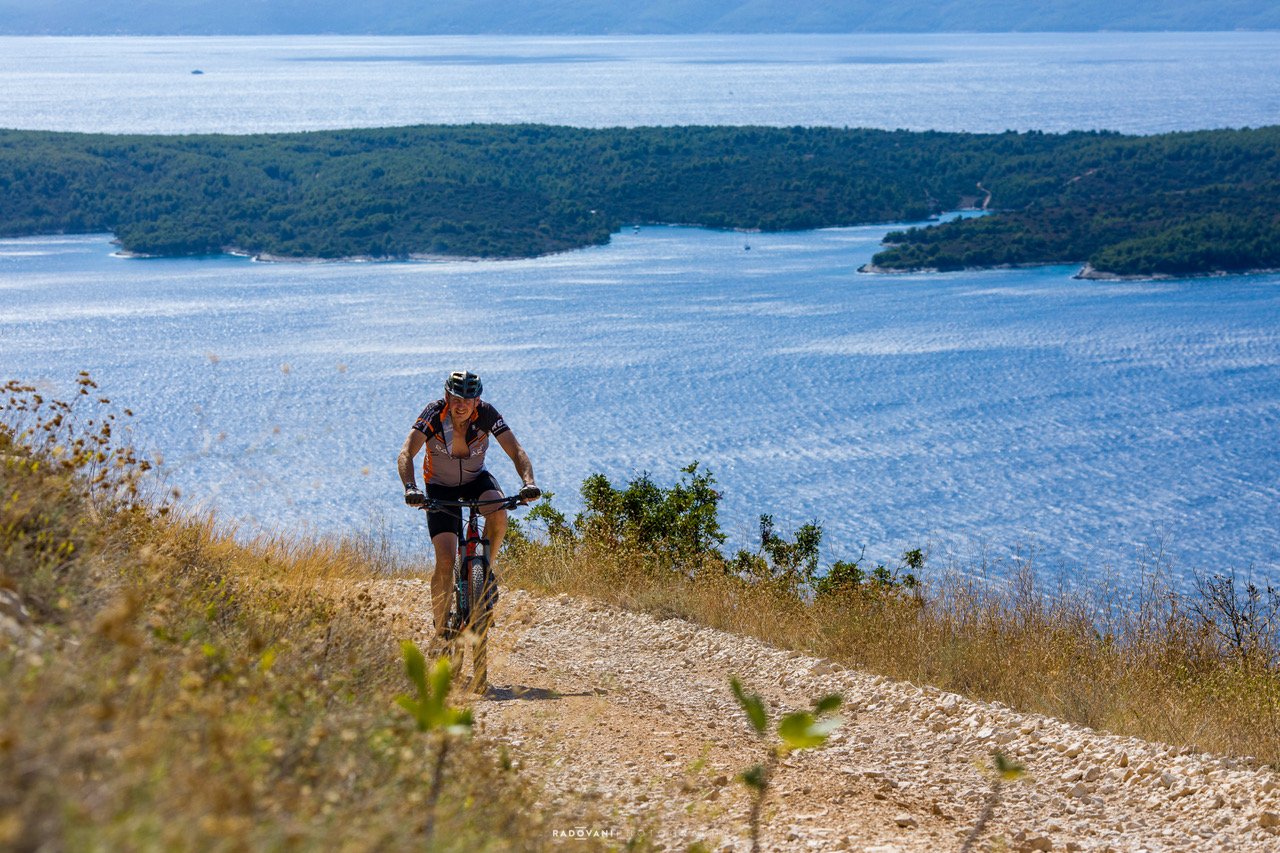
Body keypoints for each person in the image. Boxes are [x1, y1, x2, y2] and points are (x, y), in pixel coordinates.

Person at [397, 370, 540, 641]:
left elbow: (516, 450)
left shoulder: (487, 414)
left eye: (469, 399)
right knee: (445, 560)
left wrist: (528, 482)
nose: (461, 405)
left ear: (477, 401)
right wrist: (411, 488)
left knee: (498, 512)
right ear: (447, 396)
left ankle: (483, 573)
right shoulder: (433, 415)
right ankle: (441, 632)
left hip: (476, 480)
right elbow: (406, 452)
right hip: (439, 486)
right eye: (456, 398)